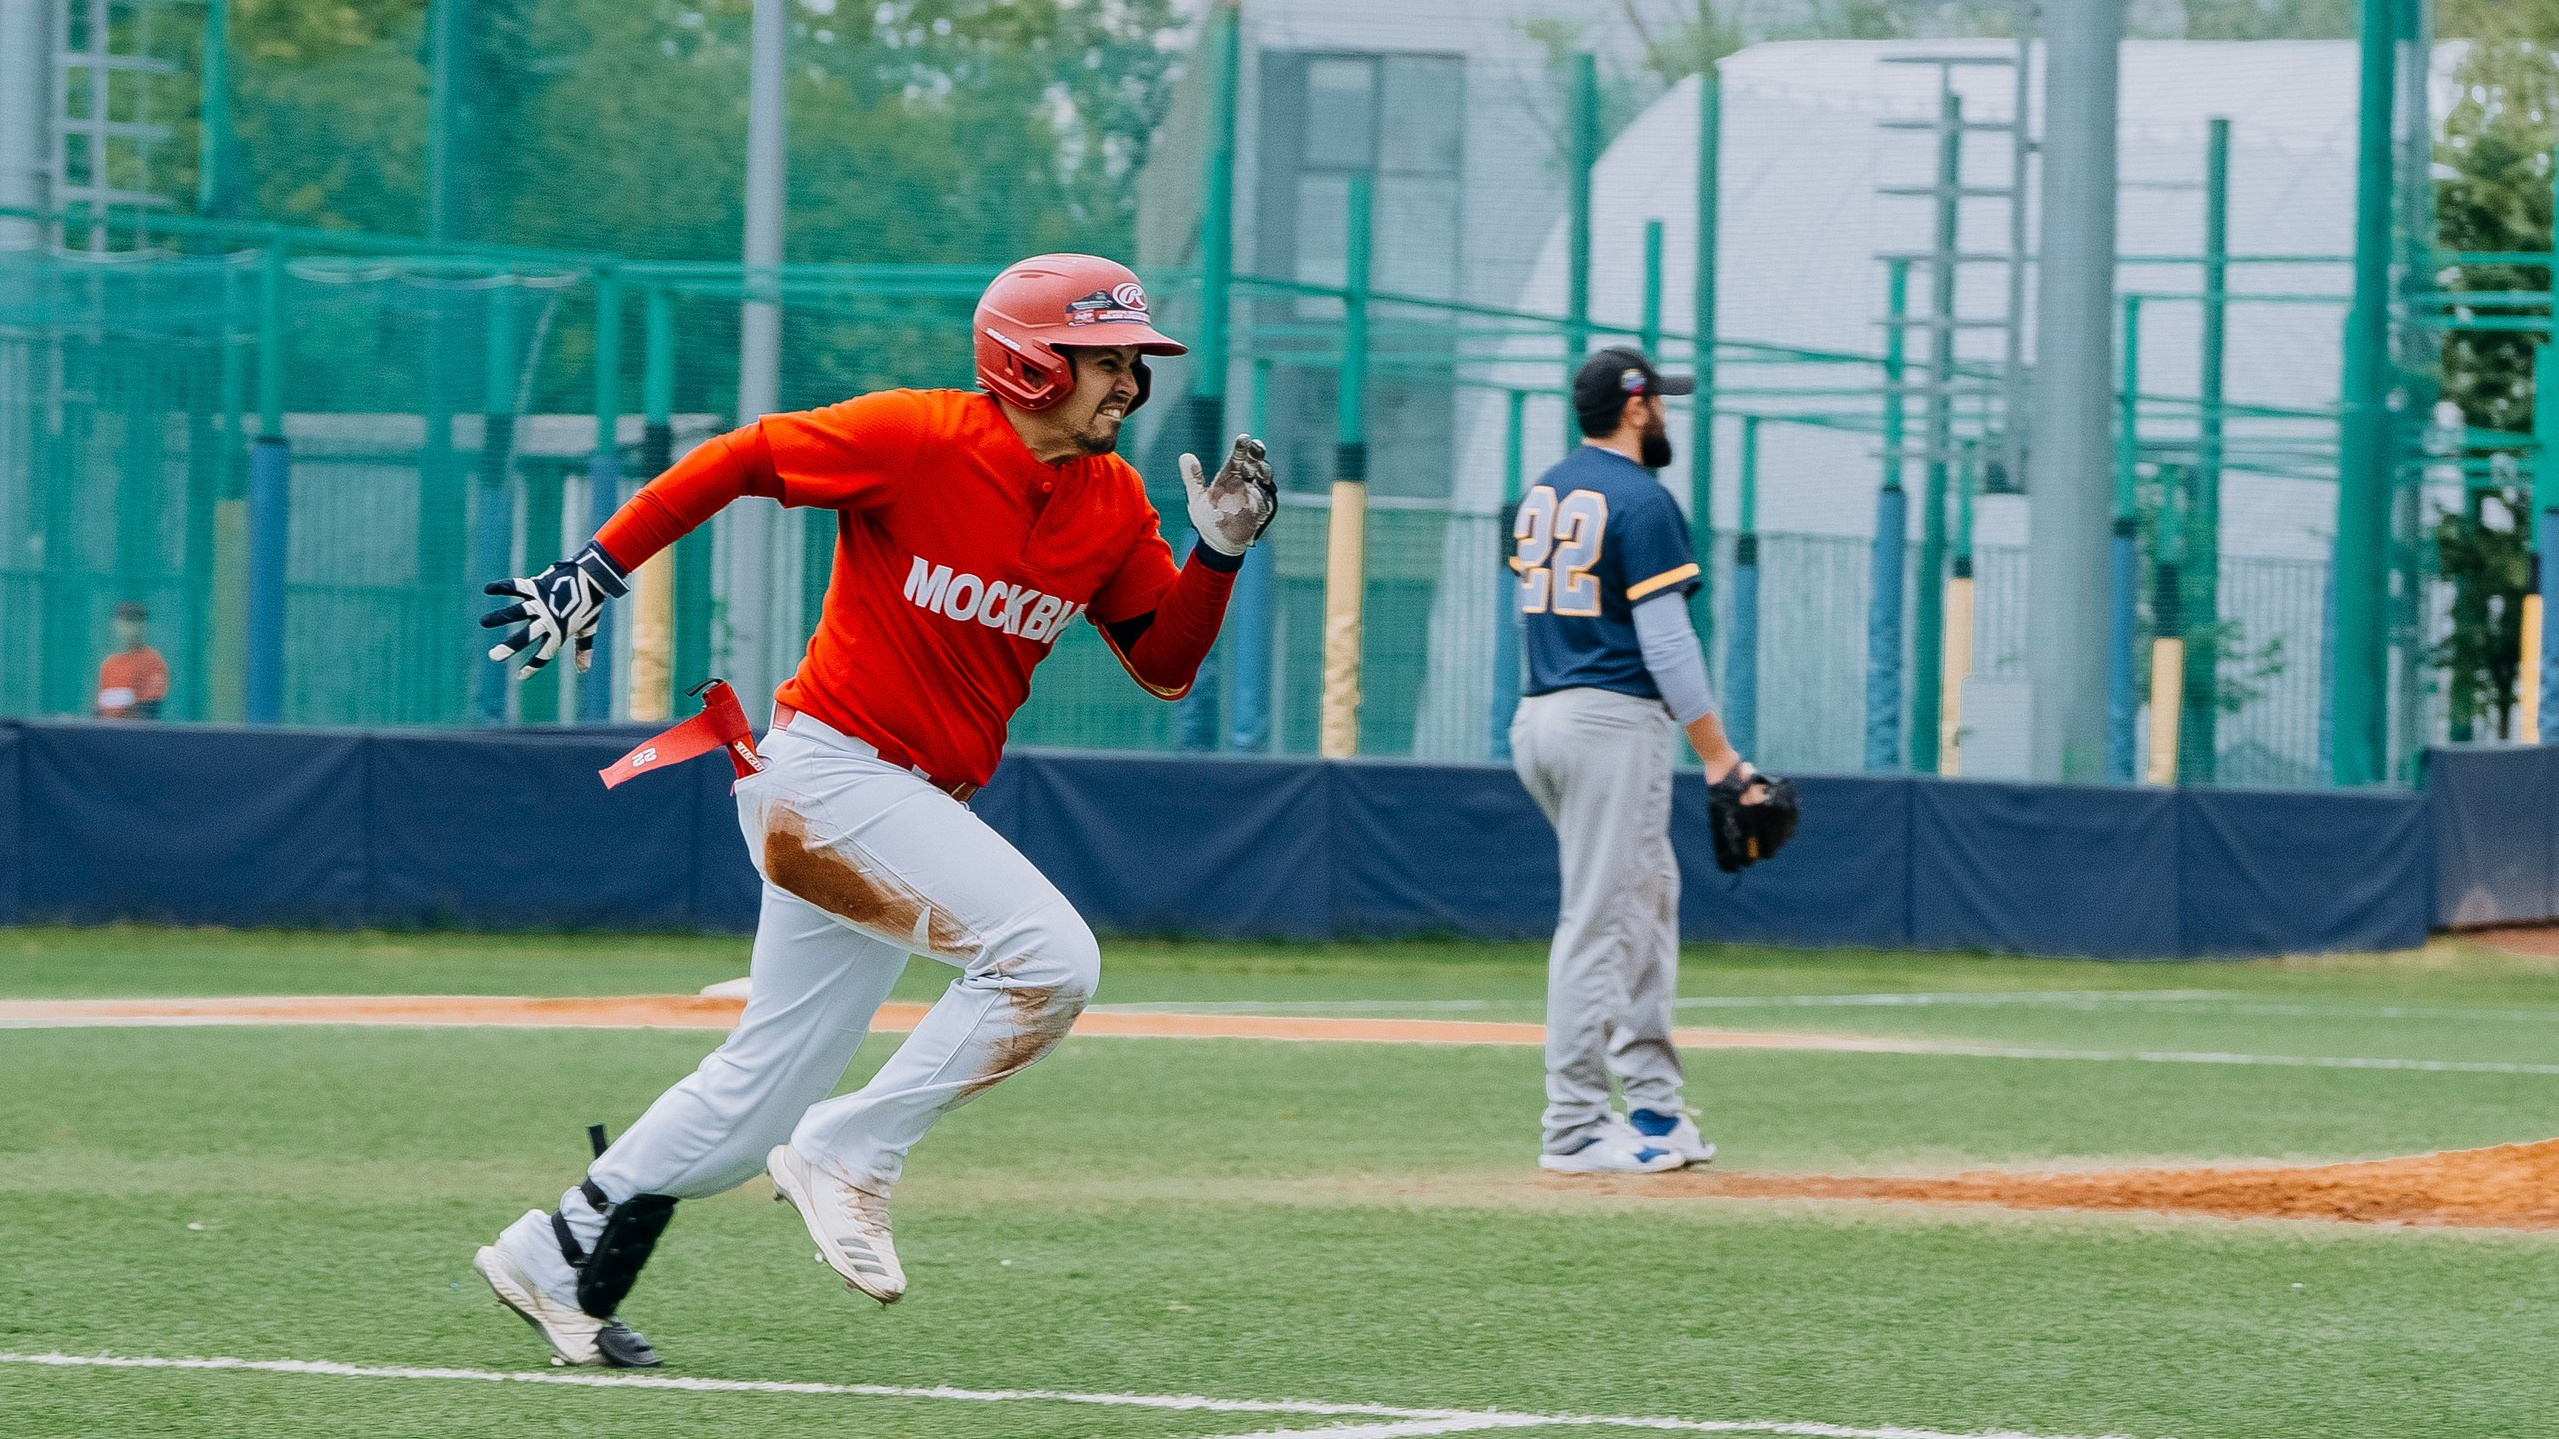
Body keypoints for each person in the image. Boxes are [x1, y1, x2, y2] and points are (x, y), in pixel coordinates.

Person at [468, 254, 1277, 1369]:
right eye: (1109, 359)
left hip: (891, 805)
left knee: (751, 1101)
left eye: (1136, 360)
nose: (1133, 381)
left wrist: (1219, 553)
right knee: (1050, 958)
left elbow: (1164, 664)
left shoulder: (1110, 500)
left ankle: (556, 1257)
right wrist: (598, 567)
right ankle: (851, 1149)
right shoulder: (922, 435)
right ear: (1030, 363)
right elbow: (744, 455)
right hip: (828, 775)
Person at [1509, 346, 1777, 1175]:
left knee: (1645, 897)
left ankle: (1655, 1106)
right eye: (1658, 400)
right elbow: (1664, 638)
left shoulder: (1545, 489)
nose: (1665, 413)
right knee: (1601, 919)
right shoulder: (1641, 498)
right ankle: (1575, 1126)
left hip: (1543, 711)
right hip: (1608, 721)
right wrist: (1721, 758)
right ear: (1633, 406)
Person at [94, 602, 169, 720]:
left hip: (134, 735)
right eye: (126, 622)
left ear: (144, 626)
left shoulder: (152, 661)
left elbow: (150, 709)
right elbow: (99, 709)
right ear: (117, 625)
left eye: (137, 622)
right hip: (105, 733)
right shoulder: (109, 664)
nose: (132, 628)